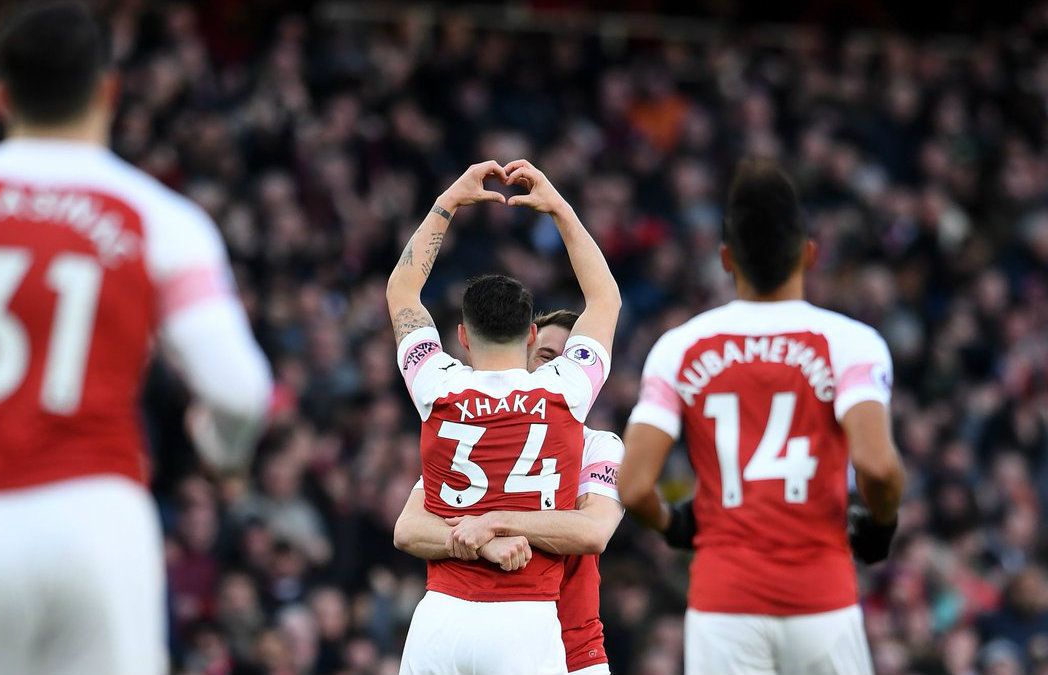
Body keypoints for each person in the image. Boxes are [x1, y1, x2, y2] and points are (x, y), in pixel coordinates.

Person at [0, 3, 273, 674]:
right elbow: (241, 390)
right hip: (97, 519)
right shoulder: (160, 217)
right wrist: (223, 451)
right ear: (108, 91)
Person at [618, 158, 905, 675]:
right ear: (809, 253)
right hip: (822, 596)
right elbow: (879, 468)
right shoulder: (851, 343)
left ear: (727, 259)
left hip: (723, 603)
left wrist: (673, 524)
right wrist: (880, 524)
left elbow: (635, 485)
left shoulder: (679, 348)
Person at [387, 159, 620, 675]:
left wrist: (448, 201)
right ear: (534, 336)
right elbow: (604, 297)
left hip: (439, 620)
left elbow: (402, 290)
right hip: (523, 619)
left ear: (463, 337)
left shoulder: (436, 384)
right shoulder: (565, 391)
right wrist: (559, 209)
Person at [393, 308, 625, 675]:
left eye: (570, 362)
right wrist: (484, 541)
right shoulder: (472, 443)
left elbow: (594, 531)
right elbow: (409, 528)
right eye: (548, 358)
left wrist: (494, 521)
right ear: (525, 351)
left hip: (576, 650)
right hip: (479, 627)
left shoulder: (600, 447)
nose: (557, 371)